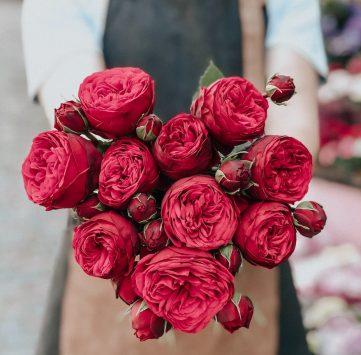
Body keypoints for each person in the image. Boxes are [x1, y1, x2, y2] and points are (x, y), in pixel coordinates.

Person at [22, 1, 328, 354]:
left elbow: (297, 114)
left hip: (242, 224)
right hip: (117, 228)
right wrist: (150, 213)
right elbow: (66, 73)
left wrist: (254, 182)